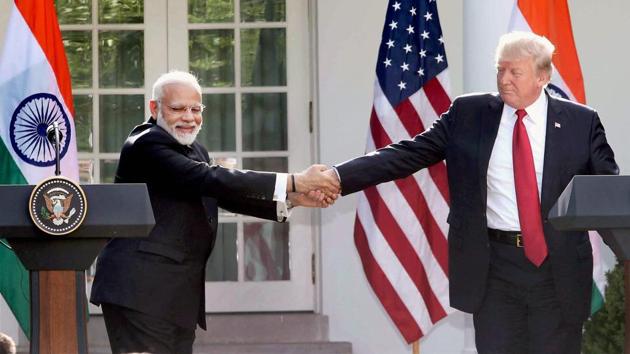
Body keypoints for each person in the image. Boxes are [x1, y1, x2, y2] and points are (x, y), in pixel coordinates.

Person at [312, 32, 618, 353]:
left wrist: (626, 252)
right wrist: (337, 176)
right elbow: (408, 154)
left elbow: (606, 195)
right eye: (500, 70)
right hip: (495, 269)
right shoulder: (469, 114)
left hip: (558, 270)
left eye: (516, 72)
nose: (504, 80)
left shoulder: (580, 123)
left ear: (543, 76)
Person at [90, 71, 339, 354]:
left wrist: (292, 198)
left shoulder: (194, 149)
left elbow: (217, 192)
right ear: (154, 108)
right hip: (139, 291)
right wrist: (295, 179)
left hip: (174, 295)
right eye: (177, 108)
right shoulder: (146, 143)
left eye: (195, 109)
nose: (188, 117)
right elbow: (210, 178)